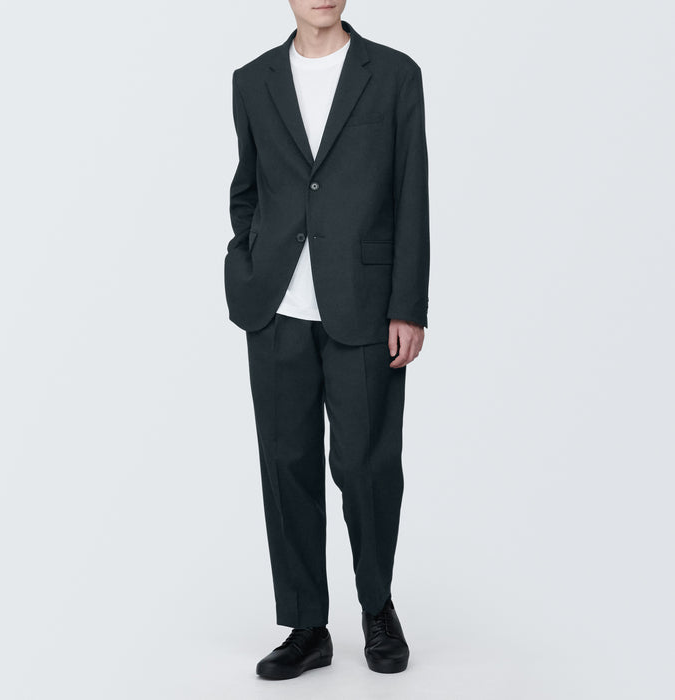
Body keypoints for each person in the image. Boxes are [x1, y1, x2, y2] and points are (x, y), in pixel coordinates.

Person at [224, 0, 430, 680]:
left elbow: (411, 192)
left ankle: (377, 609)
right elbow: (247, 188)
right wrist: (247, 262)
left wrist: (408, 305)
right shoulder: (252, 80)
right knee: (287, 467)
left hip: (365, 305)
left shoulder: (394, 75)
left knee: (368, 467)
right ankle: (306, 626)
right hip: (275, 308)